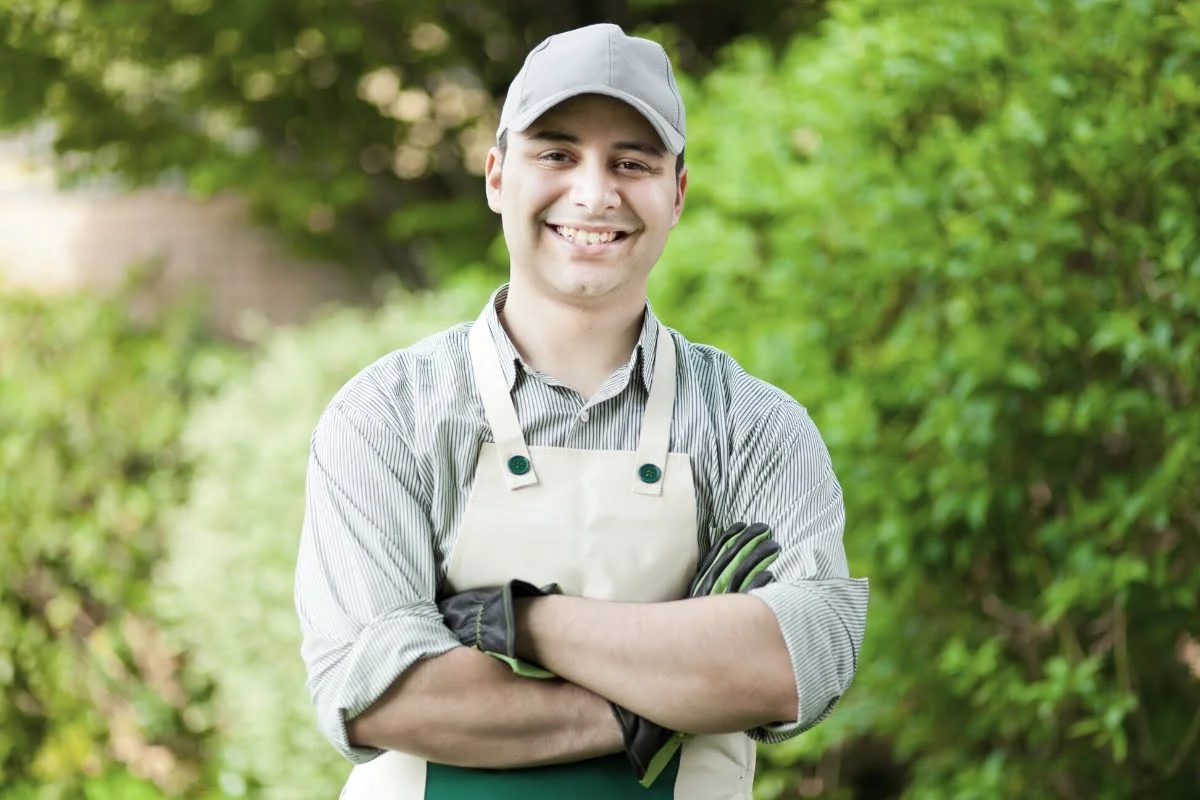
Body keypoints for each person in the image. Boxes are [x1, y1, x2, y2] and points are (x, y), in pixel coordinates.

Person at [294, 22, 869, 800]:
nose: (595, 192)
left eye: (631, 162)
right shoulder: (388, 418)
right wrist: (668, 696)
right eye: (557, 154)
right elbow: (382, 692)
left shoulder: (754, 429)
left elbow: (801, 663)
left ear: (677, 193)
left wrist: (522, 623)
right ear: (497, 176)